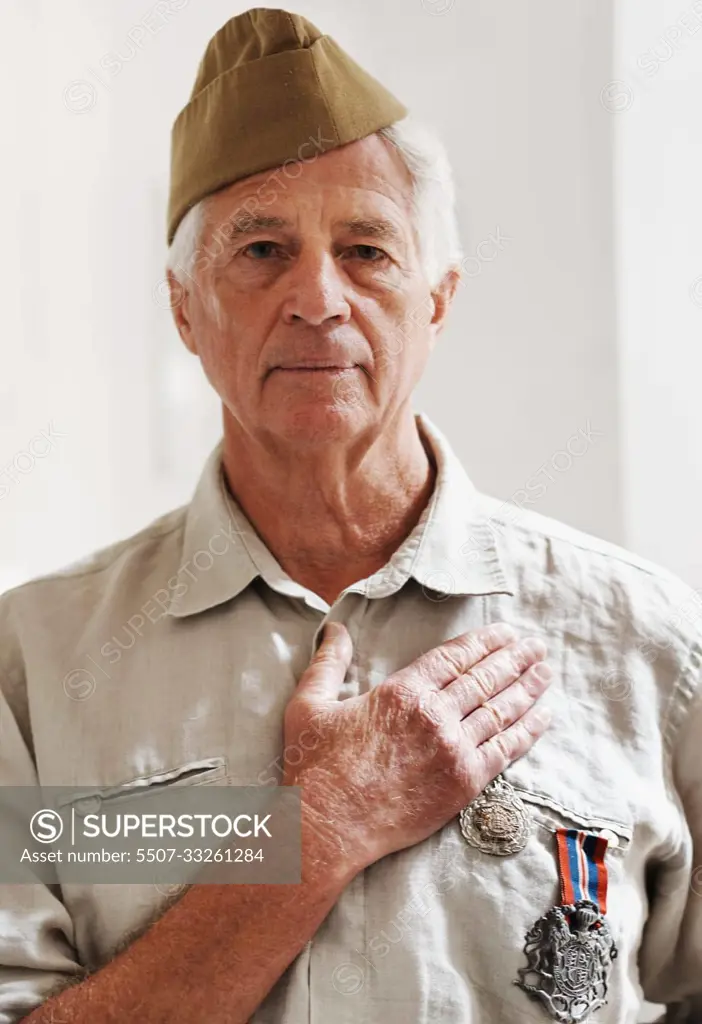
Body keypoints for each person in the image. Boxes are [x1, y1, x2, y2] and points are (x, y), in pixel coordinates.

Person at [0, 9, 700, 1023]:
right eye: (262, 249)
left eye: (367, 250)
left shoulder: (649, 645)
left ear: (439, 298)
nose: (318, 298)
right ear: (184, 309)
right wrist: (322, 825)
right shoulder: (34, 667)